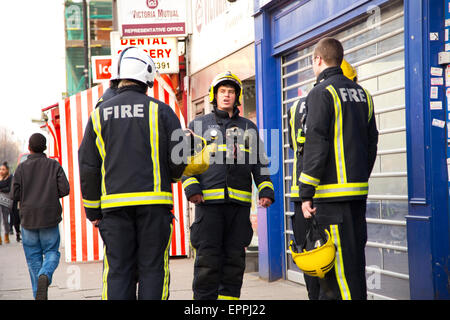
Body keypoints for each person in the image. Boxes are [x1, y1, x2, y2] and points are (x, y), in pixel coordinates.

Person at [78, 46, 187, 300]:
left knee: (118, 272)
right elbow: (178, 160)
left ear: (117, 76)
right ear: (147, 76)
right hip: (154, 208)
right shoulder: (162, 111)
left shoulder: (97, 116)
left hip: (114, 211)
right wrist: (171, 175)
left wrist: (93, 211)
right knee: (153, 270)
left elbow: (88, 167)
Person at [182, 71, 275, 300]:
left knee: (234, 263)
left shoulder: (248, 127)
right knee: (207, 263)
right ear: (214, 95)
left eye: (231, 92)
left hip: (238, 208)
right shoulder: (198, 124)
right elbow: (184, 162)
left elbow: (260, 162)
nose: (227, 95)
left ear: (237, 96)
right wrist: (192, 188)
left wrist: (265, 189)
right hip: (208, 206)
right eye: (222, 91)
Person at [299, 37, 378, 300]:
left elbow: (316, 144)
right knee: (355, 266)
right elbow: (371, 143)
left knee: (339, 274)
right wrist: (359, 178)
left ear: (318, 60)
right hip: (357, 195)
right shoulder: (363, 94)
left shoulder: (321, 93)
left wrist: (306, 192)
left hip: (331, 199)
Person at [288, 58, 360, 300]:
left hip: (308, 197)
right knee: (345, 268)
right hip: (326, 198)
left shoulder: (301, 105)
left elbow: (301, 149)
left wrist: (305, 190)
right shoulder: (357, 97)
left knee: (319, 268)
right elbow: (317, 147)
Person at [12, 133, 70, 300]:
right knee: (51, 251)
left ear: (29, 148)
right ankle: (46, 274)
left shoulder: (21, 168)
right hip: (50, 218)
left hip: (28, 219)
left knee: (33, 258)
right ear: (45, 148)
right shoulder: (54, 165)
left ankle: (38, 293)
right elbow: (65, 189)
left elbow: (14, 194)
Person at [0, 162, 12, 244]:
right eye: (0, 169)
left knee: (5, 219)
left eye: (3, 169)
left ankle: (6, 235)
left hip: (6, 201)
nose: (1, 171)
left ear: (7, 170)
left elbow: (9, 188)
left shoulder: (10, 178)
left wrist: (1, 189)